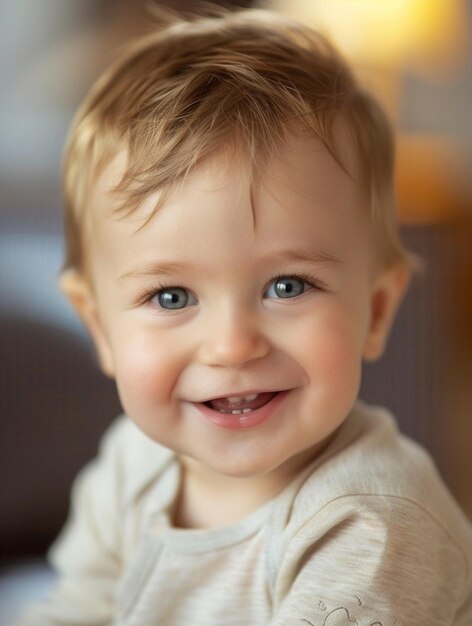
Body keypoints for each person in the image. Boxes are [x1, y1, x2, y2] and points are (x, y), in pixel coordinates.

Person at [15, 8, 472, 626]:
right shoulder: (133, 462)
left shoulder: (369, 523)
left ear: (376, 311)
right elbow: (78, 610)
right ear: (100, 329)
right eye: (172, 297)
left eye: (287, 285)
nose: (232, 346)